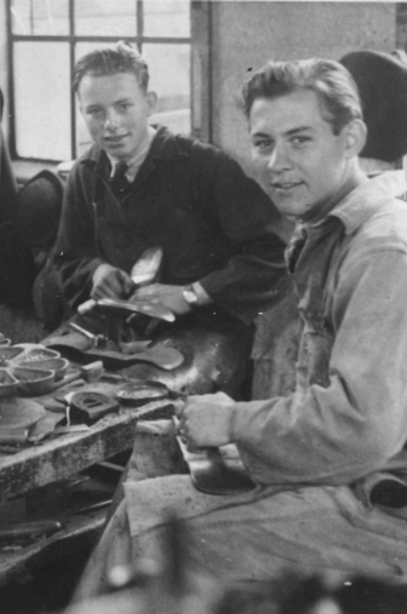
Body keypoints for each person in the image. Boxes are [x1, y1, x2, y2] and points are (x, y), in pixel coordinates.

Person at [70, 58, 407, 605]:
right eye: (263, 143)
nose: (277, 164)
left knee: (146, 524)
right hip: (350, 474)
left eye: (300, 140)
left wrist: (233, 421)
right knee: (151, 478)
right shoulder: (331, 230)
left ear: (351, 138)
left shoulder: (382, 250)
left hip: (383, 508)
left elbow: (360, 428)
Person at [40, 43, 289, 395]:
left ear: (150, 103)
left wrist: (191, 295)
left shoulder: (206, 167)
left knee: (140, 399)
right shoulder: (85, 171)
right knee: (41, 375)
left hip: (204, 327)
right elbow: (66, 257)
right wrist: (96, 271)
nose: (111, 124)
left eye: (123, 106)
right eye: (95, 111)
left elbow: (276, 255)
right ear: (82, 112)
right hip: (115, 323)